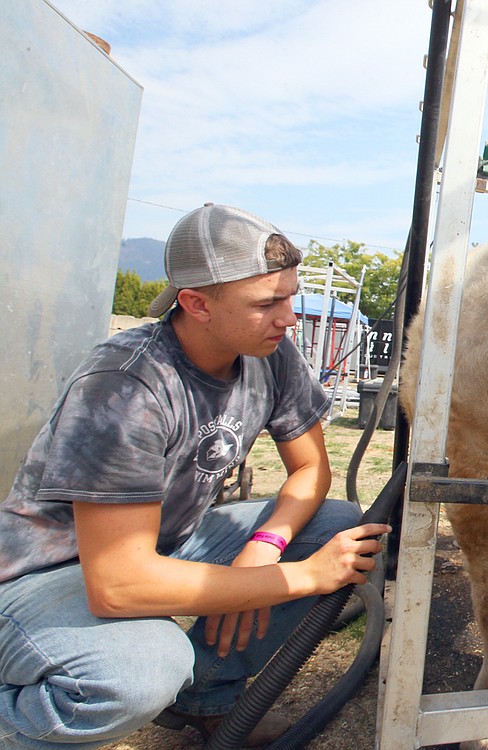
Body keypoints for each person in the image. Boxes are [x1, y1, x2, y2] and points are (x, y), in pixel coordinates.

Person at [0, 203, 390, 748]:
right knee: (143, 671)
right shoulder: (126, 385)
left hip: (163, 546)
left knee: (336, 524)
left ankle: (208, 699)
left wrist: (265, 549)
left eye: (289, 296)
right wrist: (302, 578)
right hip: (47, 575)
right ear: (195, 304)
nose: (289, 317)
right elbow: (116, 584)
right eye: (267, 303)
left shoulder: (269, 353)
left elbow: (310, 469)